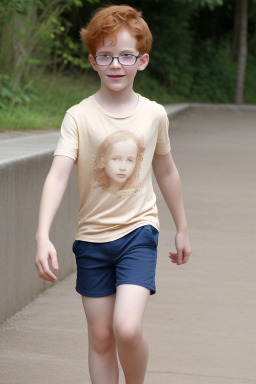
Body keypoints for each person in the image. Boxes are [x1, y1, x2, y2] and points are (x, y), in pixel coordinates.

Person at [35, 5, 191, 384]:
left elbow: (166, 169)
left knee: (126, 328)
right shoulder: (78, 116)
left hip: (138, 233)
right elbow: (57, 176)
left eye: (125, 55)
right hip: (91, 240)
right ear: (93, 61)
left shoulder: (154, 115)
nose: (116, 64)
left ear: (143, 60)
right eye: (105, 55)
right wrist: (42, 235)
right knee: (101, 336)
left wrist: (182, 226)